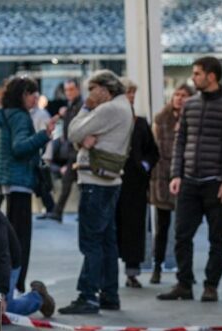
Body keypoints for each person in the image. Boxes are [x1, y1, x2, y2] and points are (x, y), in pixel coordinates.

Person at [158, 56, 222, 303]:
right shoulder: (191, 105)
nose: (193, 77)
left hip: (216, 184)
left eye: (197, 73)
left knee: (216, 239)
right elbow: (181, 142)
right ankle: (184, 284)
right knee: (182, 235)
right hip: (189, 182)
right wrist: (176, 174)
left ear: (211, 76)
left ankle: (211, 286)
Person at [58, 70, 134, 315]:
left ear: (104, 88)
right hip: (109, 182)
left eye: (92, 89)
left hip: (95, 182)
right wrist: (83, 140)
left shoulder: (109, 108)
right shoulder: (123, 107)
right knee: (107, 241)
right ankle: (109, 294)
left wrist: (85, 109)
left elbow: (72, 132)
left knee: (91, 241)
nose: (89, 95)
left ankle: (87, 295)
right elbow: (83, 138)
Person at [0, 75, 56, 293]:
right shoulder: (20, 117)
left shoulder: (6, 115)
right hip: (19, 180)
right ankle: (15, 284)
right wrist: (44, 135)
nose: (35, 97)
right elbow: (19, 147)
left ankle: (11, 283)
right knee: (21, 238)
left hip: (9, 179)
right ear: (22, 95)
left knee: (13, 233)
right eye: (31, 93)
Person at [115, 78, 159, 289]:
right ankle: (108, 272)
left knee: (134, 227)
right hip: (113, 179)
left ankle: (132, 271)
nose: (131, 96)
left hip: (135, 182)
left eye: (133, 93)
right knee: (113, 227)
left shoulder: (140, 122)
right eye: (127, 92)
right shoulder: (112, 118)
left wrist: (144, 166)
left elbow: (153, 152)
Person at [148, 83, 193, 284]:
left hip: (186, 177)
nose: (179, 98)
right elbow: (153, 147)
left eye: (184, 95)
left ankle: (185, 271)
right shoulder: (161, 119)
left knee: (184, 230)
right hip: (163, 178)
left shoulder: (193, 119)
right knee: (162, 227)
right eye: (177, 94)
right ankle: (157, 267)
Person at [42, 79, 85, 222]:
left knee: (75, 182)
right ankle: (59, 212)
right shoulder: (72, 106)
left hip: (78, 150)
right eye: (66, 90)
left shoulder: (80, 106)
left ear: (78, 89)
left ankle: (58, 212)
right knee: (75, 182)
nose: (69, 93)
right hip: (73, 150)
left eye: (71, 89)